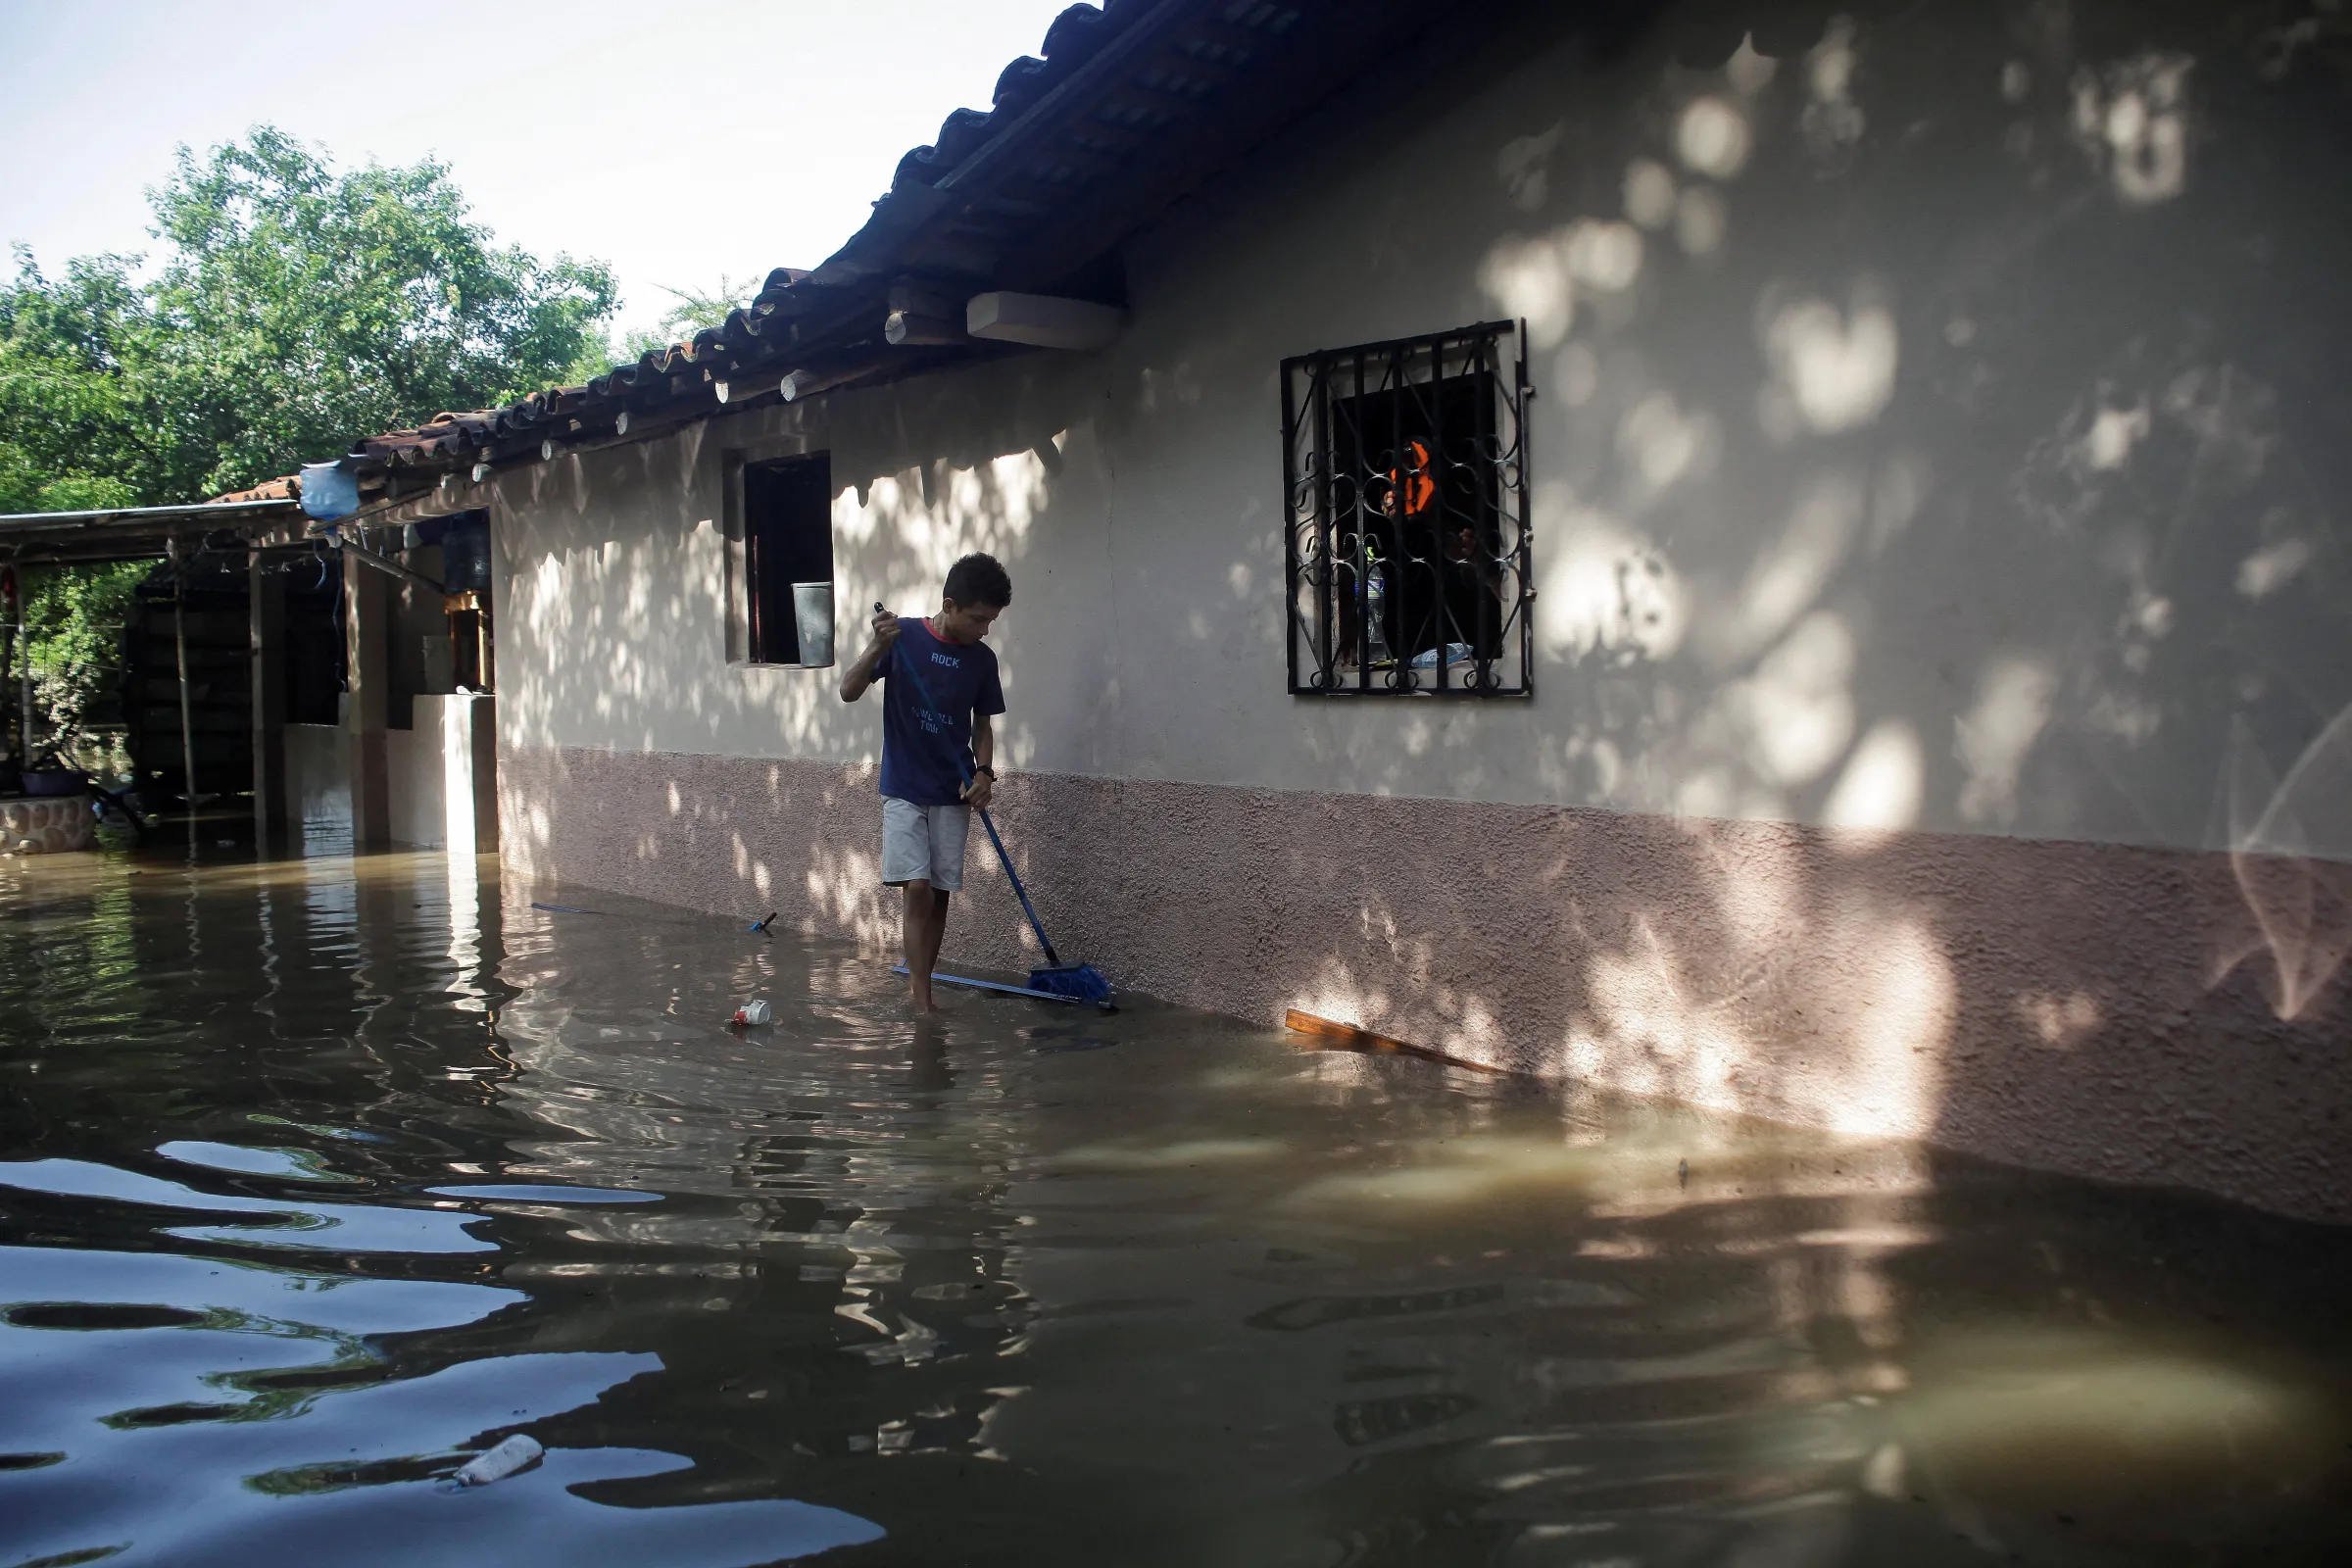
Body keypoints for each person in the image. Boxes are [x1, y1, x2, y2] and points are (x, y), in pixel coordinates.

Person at [839, 553, 1010, 1014]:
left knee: (937, 894)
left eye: (991, 621)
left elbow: (983, 726)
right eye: (978, 619)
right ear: (950, 604)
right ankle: (920, 1001)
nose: (984, 629)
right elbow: (848, 690)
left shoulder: (982, 660)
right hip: (903, 787)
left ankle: (924, 988)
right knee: (915, 887)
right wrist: (876, 648)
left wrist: (983, 774)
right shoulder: (903, 639)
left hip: (952, 790)